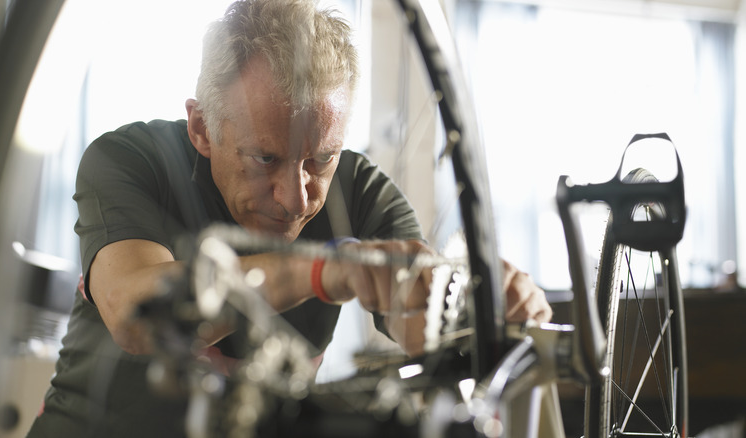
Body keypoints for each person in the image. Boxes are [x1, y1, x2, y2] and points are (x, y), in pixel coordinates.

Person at [27, 0, 551, 436]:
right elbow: (135, 314)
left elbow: (417, 324)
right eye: (266, 159)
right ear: (202, 127)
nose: (296, 200)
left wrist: (482, 309)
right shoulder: (129, 160)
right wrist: (325, 270)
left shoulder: (362, 192)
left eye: (320, 159)